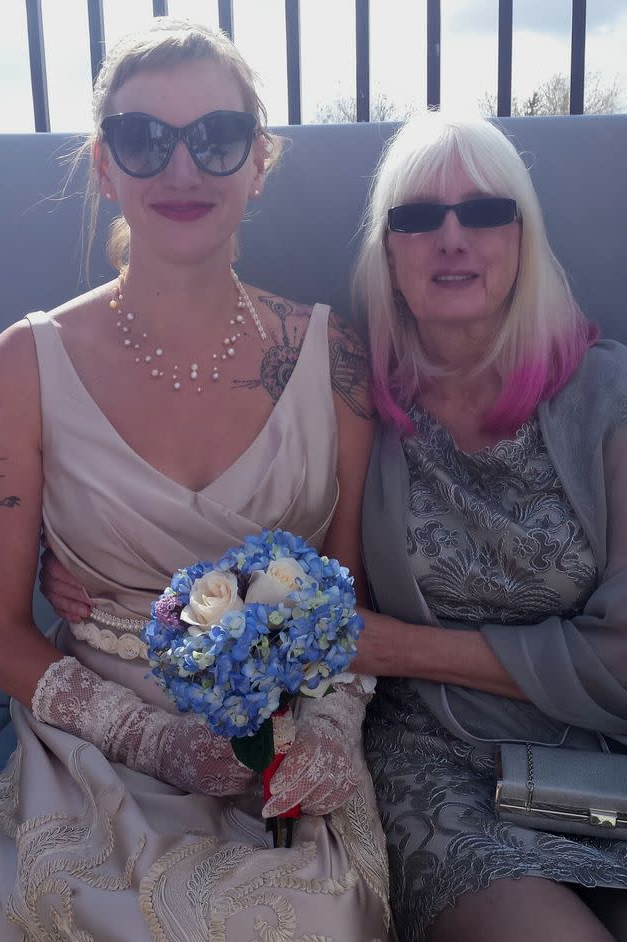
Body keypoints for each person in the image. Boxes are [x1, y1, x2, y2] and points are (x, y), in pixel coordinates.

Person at [0, 19, 391, 941]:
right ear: (104, 166)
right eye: (144, 139)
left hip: (291, 743)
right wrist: (152, 738)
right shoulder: (24, 364)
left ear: (260, 161)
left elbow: (350, 593)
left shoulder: (332, 355)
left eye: (216, 138)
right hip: (93, 739)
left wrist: (330, 735)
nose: (182, 171)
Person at [349, 113, 627, 941]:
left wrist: (400, 647)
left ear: (522, 236)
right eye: (418, 216)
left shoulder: (607, 399)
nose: (451, 237)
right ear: (390, 252)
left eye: (483, 211)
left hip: (605, 759)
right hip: (440, 768)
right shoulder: (353, 403)